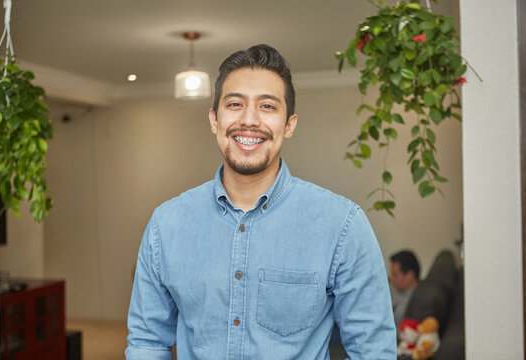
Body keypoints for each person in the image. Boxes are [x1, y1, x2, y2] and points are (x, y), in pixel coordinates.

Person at [125, 44, 396, 360]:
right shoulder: (166, 224)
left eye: (267, 106)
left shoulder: (343, 226)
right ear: (214, 120)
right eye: (235, 103)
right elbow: (147, 342)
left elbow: (373, 351)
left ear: (289, 124)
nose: (249, 120)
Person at [389, 250, 420, 327]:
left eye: (395, 275)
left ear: (410, 275)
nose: (391, 278)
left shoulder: (413, 302)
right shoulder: (391, 288)